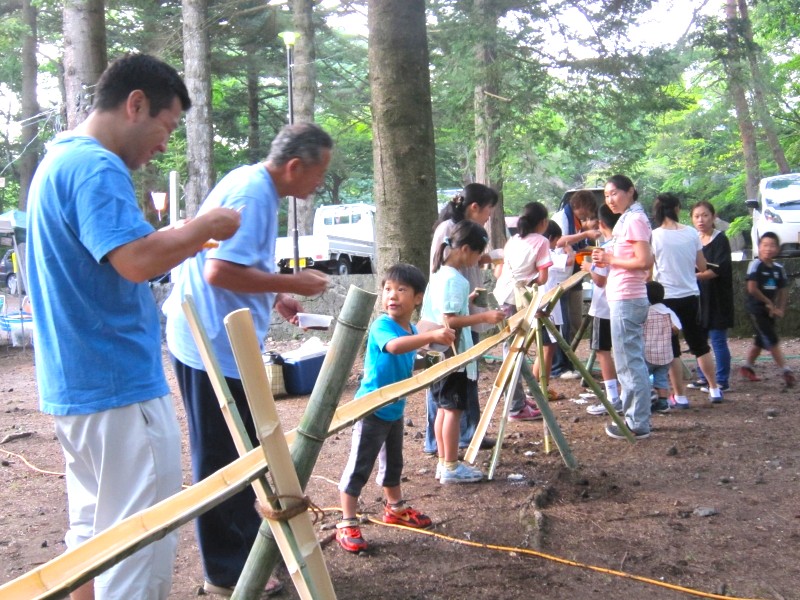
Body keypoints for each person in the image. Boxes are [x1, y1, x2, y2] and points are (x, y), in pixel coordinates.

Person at [26, 54, 241, 600]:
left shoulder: (60, 160)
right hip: (118, 383)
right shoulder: (98, 167)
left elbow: (125, 253)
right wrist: (204, 226)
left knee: (94, 538)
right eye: (167, 126)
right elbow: (137, 261)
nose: (165, 145)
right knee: (137, 550)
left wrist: (180, 236)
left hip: (78, 387)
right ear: (136, 104)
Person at [162, 122, 332, 596]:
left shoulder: (254, 186)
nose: (321, 182)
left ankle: (247, 553)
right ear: (294, 166)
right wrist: (293, 282)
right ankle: (225, 573)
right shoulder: (254, 195)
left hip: (220, 340)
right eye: (320, 172)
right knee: (221, 458)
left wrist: (276, 295)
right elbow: (218, 272)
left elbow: (236, 261)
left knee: (243, 451)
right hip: (211, 346)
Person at [336, 264, 456, 553]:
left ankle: (395, 508)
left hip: (394, 408)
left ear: (418, 298)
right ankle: (347, 521)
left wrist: (432, 355)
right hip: (372, 409)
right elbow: (394, 348)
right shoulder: (382, 326)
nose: (392, 295)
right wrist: (430, 337)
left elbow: (407, 355)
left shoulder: (411, 329)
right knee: (359, 466)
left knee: (394, 462)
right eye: (388, 289)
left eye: (401, 289)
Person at [421, 220, 506, 484]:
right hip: (453, 356)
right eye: (478, 254)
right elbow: (450, 320)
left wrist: (467, 303)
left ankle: (444, 462)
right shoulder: (455, 279)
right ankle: (451, 466)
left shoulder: (440, 274)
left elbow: (445, 311)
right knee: (452, 411)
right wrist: (485, 316)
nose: (479, 260)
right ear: (466, 249)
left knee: (444, 408)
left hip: (438, 355)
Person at [591, 175, 654, 440]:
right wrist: (607, 259)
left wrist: (610, 259)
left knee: (629, 362)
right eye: (606, 195)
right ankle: (635, 417)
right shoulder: (628, 218)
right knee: (629, 360)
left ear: (630, 191)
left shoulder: (635, 219)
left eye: (614, 193)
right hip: (623, 296)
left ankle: (637, 422)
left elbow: (644, 261)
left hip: (628, 297)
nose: (610, 199)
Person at [650, 192, 723, 408]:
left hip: (666, 299)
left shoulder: (655, 236)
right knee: (699, 345)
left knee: (672, 349)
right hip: (690, 295)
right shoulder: (691, 233)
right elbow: (702, 266)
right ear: (677, 208)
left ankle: (680, 397)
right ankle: (714, 389)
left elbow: (648, 268)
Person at [492, 201, 552, 420]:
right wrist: (530, 282)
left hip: (501, 295)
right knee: (514, 351)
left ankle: (517, 401)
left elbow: (499, 272)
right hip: (517, 300)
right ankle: (516, 407)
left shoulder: (513, 240)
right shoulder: (542, 241)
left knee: (513, 349)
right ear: (543, 222)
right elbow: (543, 277)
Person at [551, 190, 602, 379]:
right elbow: (560, 241)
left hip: (569, 276)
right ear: (578, 206)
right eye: (586, 211)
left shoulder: (575, 221)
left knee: (569, 323)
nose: (587, 215)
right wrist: (585, 234)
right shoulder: (561, 219)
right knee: (560, 324)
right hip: (558, 276)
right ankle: (559, 366)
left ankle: (566, 362)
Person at [688, 201, 734, 392]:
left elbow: (717, 270)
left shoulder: (721, 240)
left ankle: (722, 380)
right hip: (698, 297)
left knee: (717, 340)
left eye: (705, 215)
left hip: (717, 298)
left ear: (713, 217)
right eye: (697, 216)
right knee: (700, 340)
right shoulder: (693, 239)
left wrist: (691, 276)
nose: (701, 220)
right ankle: (703, 377)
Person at [740, 232, 795, 387]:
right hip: (756, 310)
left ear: (777, 249)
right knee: (771, 339)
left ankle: (747, 367)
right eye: (765, 245)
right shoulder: (755, 265)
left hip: (770, 311)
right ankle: (785, 370)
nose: (768, 249)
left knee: (760, 340)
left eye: (772, 245)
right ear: (759, 247)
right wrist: (767, 302)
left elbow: (783, 290)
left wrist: (780, 308)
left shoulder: (778, 268)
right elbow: (752, 288)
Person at [582, 204, 622, 416]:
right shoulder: (624, 244)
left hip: (604, 307)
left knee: (603, 351)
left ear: (601, 223)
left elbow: (599, 280)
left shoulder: (603, 249)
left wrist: (588, 267)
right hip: (623, 303)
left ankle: (613, 397)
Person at [644, 281, 681, 414]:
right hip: (665, 353)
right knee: (661, 378)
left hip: (647, 352)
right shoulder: (668, 311)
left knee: (643, 377)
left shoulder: (645, 312)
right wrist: (669, 332)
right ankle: (663, 402)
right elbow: (677, 327)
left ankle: (648, 398)